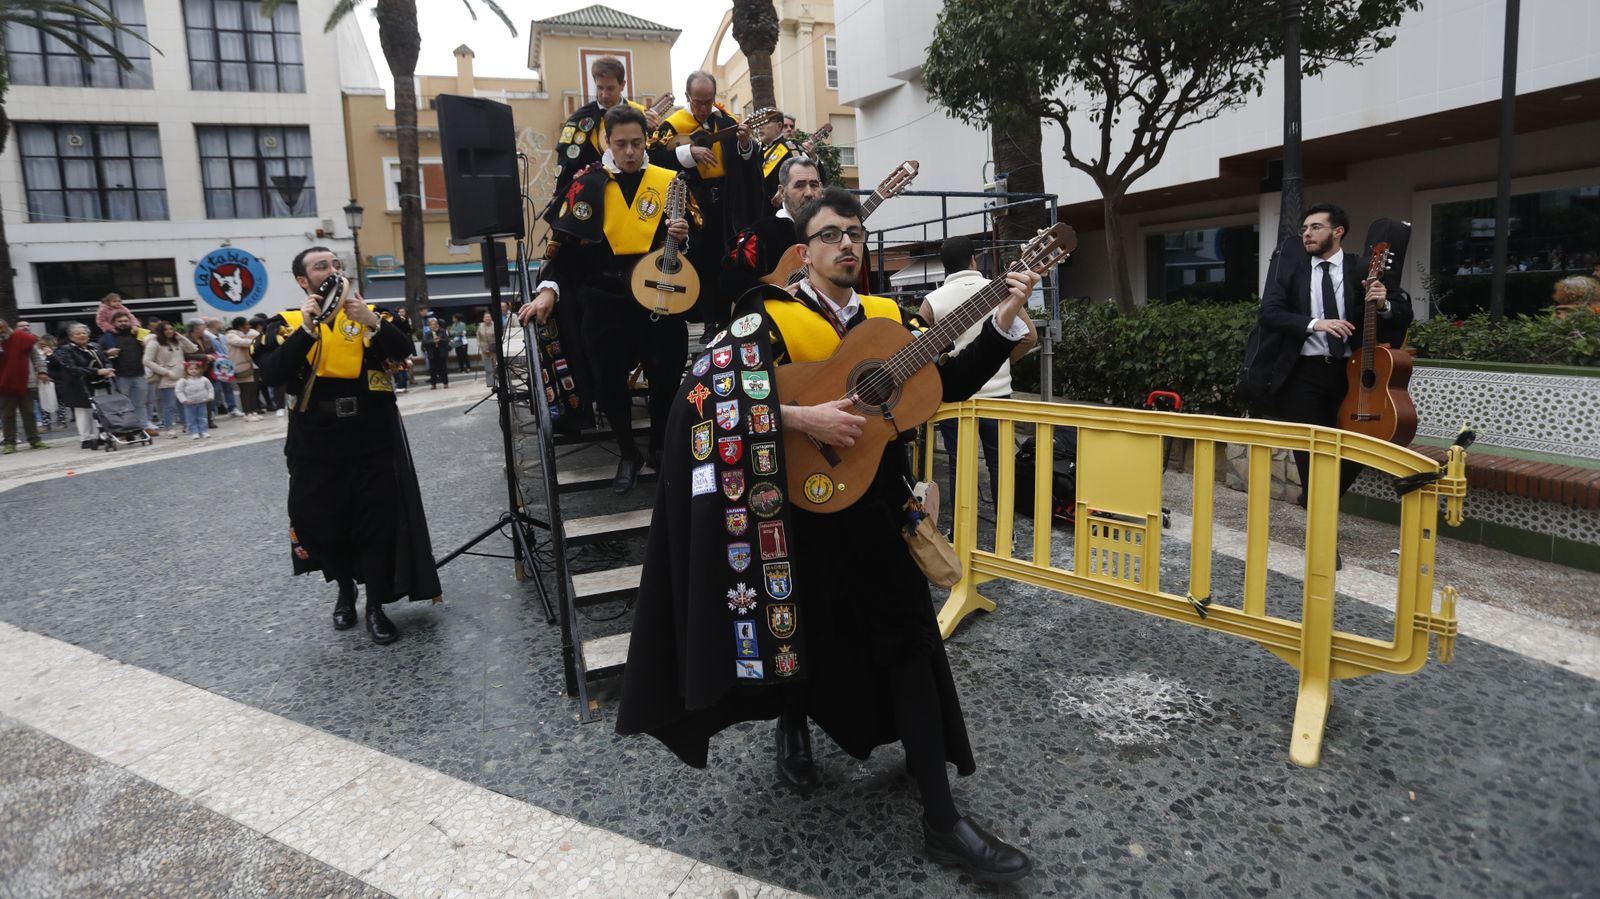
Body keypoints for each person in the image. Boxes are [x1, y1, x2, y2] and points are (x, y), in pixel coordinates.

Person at [617, 188, 1040, 882]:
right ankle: (791, 724)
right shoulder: (766, 315)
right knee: (794, 637)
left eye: (855, 233)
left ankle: (943, 818)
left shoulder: (889, 318)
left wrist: (1002, 321)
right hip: (794, 515)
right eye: (831, 234)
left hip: (875, 511)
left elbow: (943, 385)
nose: (848, 244)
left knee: (910, 645)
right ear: (805, 250)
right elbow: (704, 394)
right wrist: (801, 419)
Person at [253, 246, 441, 644]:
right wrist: (307, 330)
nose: (333, 270)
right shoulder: (286, 323)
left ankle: (375, 605)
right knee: (315, 521)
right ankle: (344, 586)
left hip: (369, 435)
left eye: (336, 264)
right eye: (321, 266)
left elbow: (404, 351)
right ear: (304, 281)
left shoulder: (373, 315)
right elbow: (272, 374)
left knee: (374, 521)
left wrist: (372, 322)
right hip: (314, 440)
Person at [520, 105, 695, 494]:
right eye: (621, 144)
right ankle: (628, 452)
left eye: (636, 142)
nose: (630, 151)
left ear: (645, 140)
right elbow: (559, 248)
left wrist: (683, 238)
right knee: (608, 384)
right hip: (604, 300)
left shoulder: (671, 182)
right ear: (607, 143)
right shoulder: (586, 183)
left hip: (658, 298)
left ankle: (661, 448)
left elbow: (695, 246)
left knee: (666, 378)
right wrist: (548, 289)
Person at [1255, 202, 1412, 505]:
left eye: (1316, 227)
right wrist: (1315, 324)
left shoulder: (1362, 269)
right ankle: (1322, 532)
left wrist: (1384, 305)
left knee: (1360, 447)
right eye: (1304, 229)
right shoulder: (1294, 273)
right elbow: (1269, 314)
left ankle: (1314, 504)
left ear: (1338, 232)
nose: (1307, 234)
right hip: (1303, 374)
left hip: (1351, 376)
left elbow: (1403, 314)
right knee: (1311, 454)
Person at [919, 236, 1037, 508]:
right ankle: (1006, 535)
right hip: (999, 396)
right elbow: (1029, 337)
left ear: (944, 266)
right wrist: (1001, 362)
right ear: (973, 260)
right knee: (1000, 465)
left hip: (956, 401)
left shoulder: (932, 301)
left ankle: (960, 532)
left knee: (960, 465)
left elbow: (923, 352)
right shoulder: (1000, 290)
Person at [648, 70, 764, 329]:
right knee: (700, 260)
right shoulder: (673, 125)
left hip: (725, 202)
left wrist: (745, 145)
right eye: (698, 101)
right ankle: (706, 321)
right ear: (688, 96)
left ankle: (725, 320)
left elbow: (750, 160)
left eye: (708, 101)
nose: (703, 108)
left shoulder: (726, 122)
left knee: (726, 258)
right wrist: (688, 152)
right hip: (691, 202)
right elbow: (653, 157)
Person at [543, 55, 661, 226]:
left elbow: (656, 159)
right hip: (595, 204)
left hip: (636, 199)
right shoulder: (578, 120)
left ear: (622, 85)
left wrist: (653, 134)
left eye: (610, 88)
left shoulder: (642, 115)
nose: (604, 95)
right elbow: (566, 166)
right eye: (599, 88)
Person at [720, 157, 825, 306]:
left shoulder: (832, 233)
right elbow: (730, 278)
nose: (808, 193)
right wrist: (774, 294)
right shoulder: (761, 232)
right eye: (799, 185)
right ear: (782, 192)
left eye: (814, 185)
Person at [52, 323, 114, 449]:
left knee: (99, 410)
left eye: (84, 333)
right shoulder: (65, 350)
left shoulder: (95, 346)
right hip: (79, 385)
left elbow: (105, 360)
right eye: (78, 333)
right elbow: (72, 368)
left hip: (100, 382)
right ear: (71, 337)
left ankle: (99, 435)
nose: (82, 335)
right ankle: (85, 438)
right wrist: (96, 371)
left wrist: (108, 369)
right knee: (83, 412)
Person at [98, 310, 155, 434]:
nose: (123, 323)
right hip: (120, 376)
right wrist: (108, 353)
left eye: (125, 321)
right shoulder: (108, 337)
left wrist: (145, 345)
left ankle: (143, 427)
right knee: (122, 405)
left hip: (139, 373)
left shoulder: (138, 334)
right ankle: (127, 429)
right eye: (120, 321)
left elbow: (152, 347)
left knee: (140, 403)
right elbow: (98, 354)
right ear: (113, 323)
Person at [0, 319, 50, 453]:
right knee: (7, 414)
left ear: (7, 327)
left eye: (2, 328)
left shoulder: (23, 338)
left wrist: (42, 371)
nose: (1, 332)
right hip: (4, 382)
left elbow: (36, 357)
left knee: (28, 412)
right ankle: (9, 442)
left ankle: (34, 439)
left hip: (26, 380)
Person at [143, 321, 196, 436]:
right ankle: (169, 427)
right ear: (161, 331)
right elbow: (146, 361)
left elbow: (192, 349)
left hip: (181, 376)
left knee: (183, 402)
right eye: (166, 329)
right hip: (167, 378)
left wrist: (181, 337)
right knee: (169, 405)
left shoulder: (176, 341)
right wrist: (165, 372)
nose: (169, 331)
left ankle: (186, 425)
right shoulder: (154, 343)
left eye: (171, 329)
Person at [225, 317, 263, 420]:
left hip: (251, 365)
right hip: (240, 367)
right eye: (246, 324)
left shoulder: (249, 333)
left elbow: (260, 336)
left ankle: (252, 411)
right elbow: (242, 342)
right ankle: (247, 413)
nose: (249, 326)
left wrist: (254, 337)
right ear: (240, 326)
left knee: (252, 390)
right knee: (245, 391)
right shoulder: (231, 335)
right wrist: (255, 341)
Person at [175, 360, 214, 440]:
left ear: (200, 369)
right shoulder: (183, 381)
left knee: (203, 417)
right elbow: (179, 391)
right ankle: (194, 432)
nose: (194, 370)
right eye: (191, 369)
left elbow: (210, 388)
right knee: (191, 418)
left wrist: (209, 396)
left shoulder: (204, 379)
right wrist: (184, 400)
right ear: (186, 370)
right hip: (190, 403)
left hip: (202, 402)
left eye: (196, 369)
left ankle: (204, 431)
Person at [423, 318, 451, 389]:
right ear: (429, 326)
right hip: (432, 354)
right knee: (433, 370)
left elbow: (447, 340)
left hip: (441, 353)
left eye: (435, 324)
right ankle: (433, 384)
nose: (433, 326)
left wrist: (440, 340)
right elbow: (424, 343)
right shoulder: (427, 334)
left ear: (437, 325)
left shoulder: (442, 332)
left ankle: (445, 383)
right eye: (431, 325)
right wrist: (433, 341)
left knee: (443, 369)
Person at [478, 310, 498, 389]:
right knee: (487, 366)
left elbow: (499, 336)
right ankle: (490, 382)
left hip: (493, 348)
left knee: (495, 365)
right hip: (484, 348)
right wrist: (479, 345)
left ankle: (497, 380)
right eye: (486, 317)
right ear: (483, 319)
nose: (487, 319)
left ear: (491, 318)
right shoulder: (480, 325)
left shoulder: (494, 325)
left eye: (489, 317)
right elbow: (478, 336)